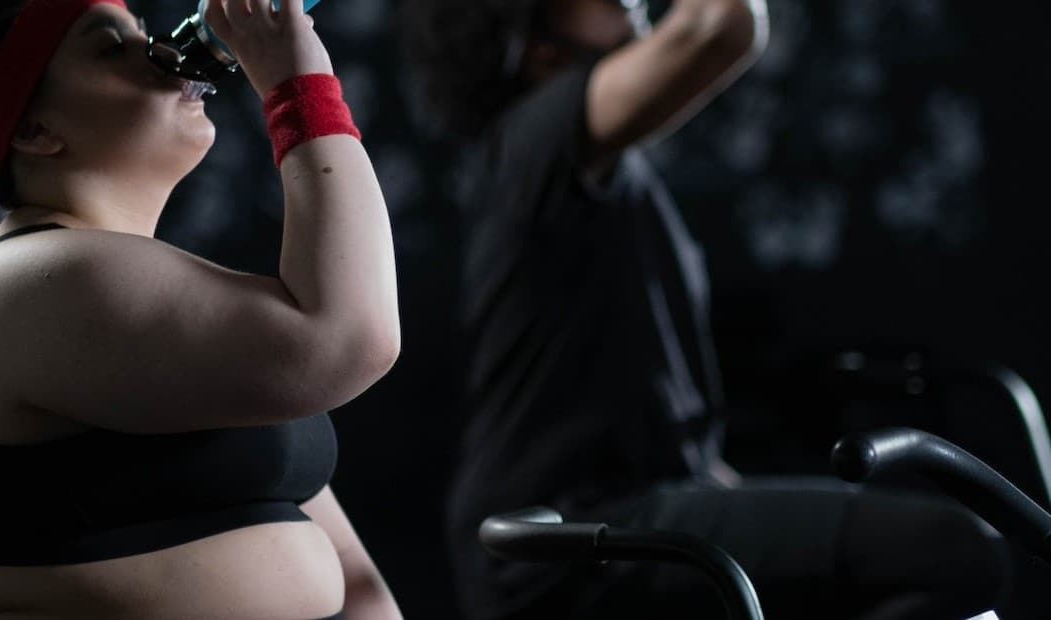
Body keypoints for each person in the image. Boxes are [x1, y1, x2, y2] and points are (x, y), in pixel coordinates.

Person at [404, 0, 1020, 618]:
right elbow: (720, 23)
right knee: (955, 550)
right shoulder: (536, 137)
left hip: (622, 512)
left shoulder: (582, 168)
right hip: (564, 533)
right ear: (538, 49)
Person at [0, 0, 403, 618]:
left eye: (144, 35)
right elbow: (349, 338)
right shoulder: (29, 283)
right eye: (109, 47)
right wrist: (297, 84)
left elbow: (350, 569)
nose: (166, 57)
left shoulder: (161, 302)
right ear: (34, 131)